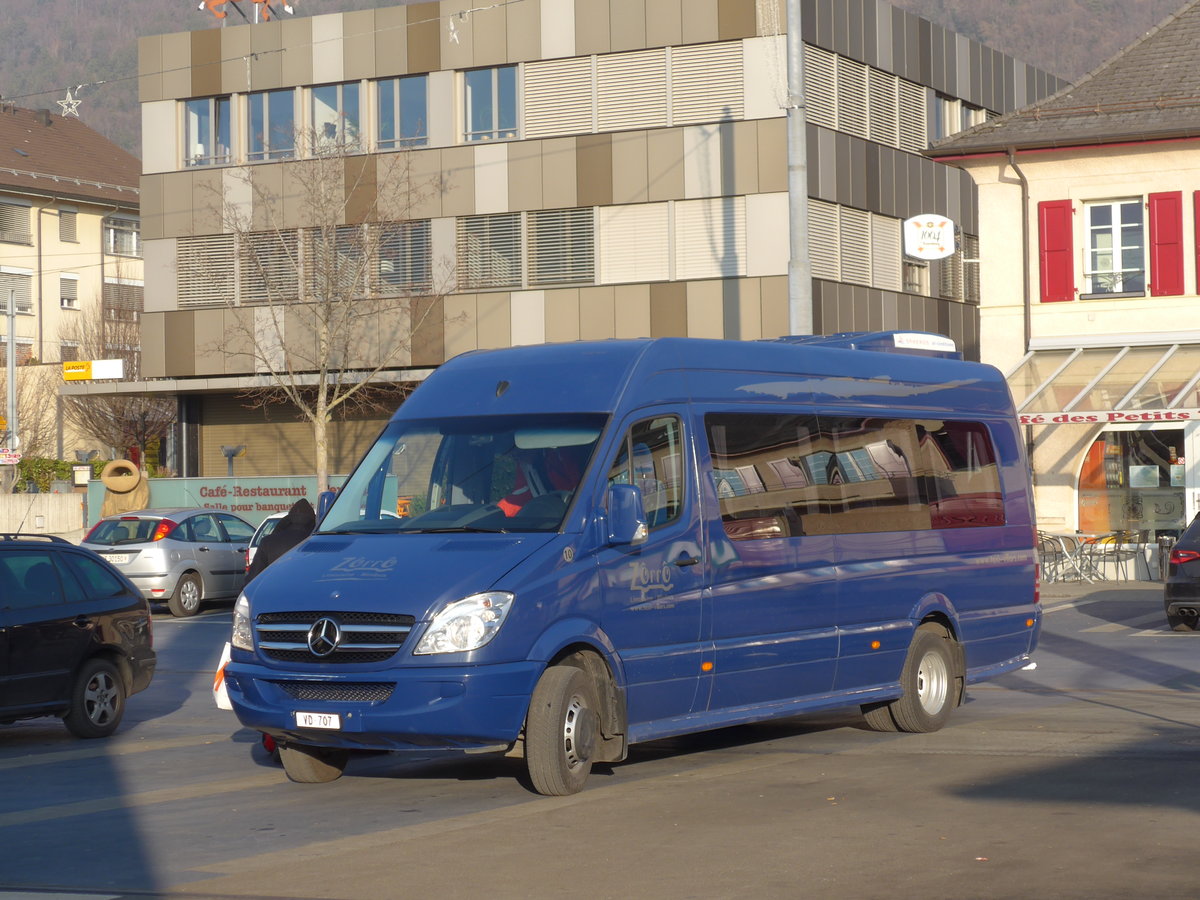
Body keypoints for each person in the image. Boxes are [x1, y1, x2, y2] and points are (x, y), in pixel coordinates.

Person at [244, 498, 316, 584]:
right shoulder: (318, 542)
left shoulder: (268, 542)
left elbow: (253, 577)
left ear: (287, 520)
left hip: (274, 592)